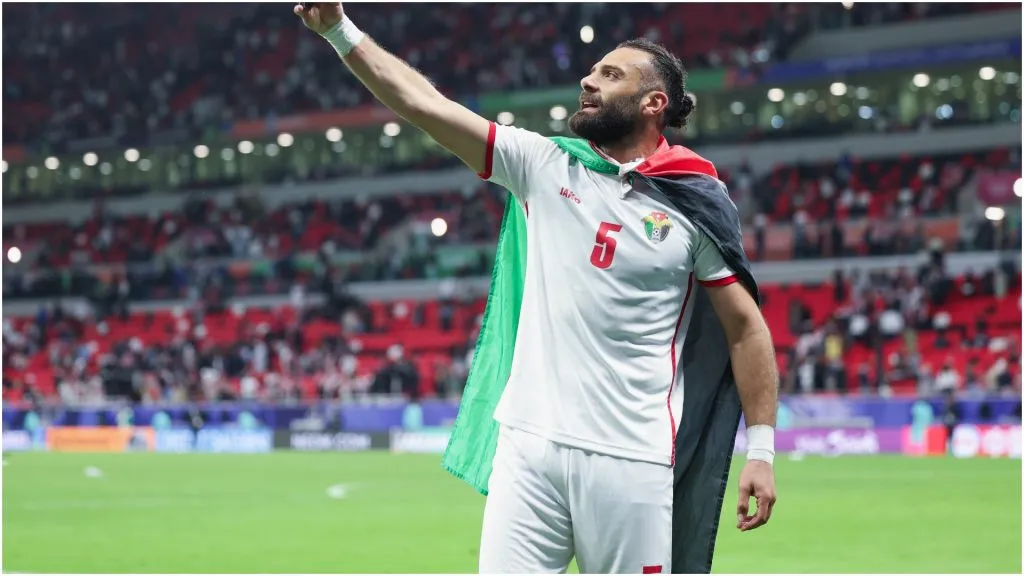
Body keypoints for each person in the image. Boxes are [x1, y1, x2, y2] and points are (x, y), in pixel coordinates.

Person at [295, 4, 779, 573]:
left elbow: (745, 329)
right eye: (591, 72)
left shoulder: (695, 204)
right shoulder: (543, 164)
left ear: (654, 104)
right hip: (528, 448)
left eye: (610, 75)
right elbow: (425, 105)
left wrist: (762, 450)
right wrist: (339, 30)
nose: (588, 81)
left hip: (631, 459)